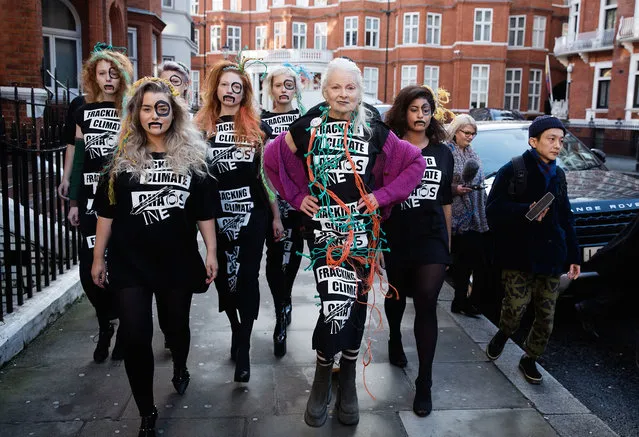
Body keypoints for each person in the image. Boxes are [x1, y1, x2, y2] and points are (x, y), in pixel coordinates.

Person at [264, 57, 426, 427]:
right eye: (335, 87)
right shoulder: (308, 123)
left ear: (359, 90)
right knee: (334, 304)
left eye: (350, 87)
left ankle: (347, 376)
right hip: (323, 235)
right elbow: (272, 158)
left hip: (364, 235)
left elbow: (415, 163)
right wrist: (294, 196)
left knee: (354, 304)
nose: (343, 94)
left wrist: (380, 197)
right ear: (324, 90)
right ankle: (323, 376)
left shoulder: (374, 125)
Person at [91, 77, 218, 437]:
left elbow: (204, 211)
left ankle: (180, 363)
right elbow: (106, 212)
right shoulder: (121, 159)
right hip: (130, 261)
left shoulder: (193, 158)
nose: (153, 115)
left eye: (161, 108)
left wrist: (210, 251)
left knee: (174, 326)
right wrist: (98, 258)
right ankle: (146, 410)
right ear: (136, 114)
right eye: (146, 108)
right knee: (135, 334)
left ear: (173, 112)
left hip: (176, 260)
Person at [195, 59, 275, 383]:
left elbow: (267, 177)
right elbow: (196, 179)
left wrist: (276, 215)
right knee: (225, 281)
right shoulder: (201, 129)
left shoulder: (257, 128)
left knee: (247, 279)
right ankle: (235, 327)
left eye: (237, 87)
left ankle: (244, 347)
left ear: (245, 94)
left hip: (252, 213)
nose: (230, 91)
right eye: (226, 85)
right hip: (217, 216)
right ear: (216, 88)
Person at [485, 115, 580, 384]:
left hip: (552, 257)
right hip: (519, 255)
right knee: (514, 309)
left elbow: (566, 216)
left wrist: (574, 255)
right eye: (551, 139)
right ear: (533, 141)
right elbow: (492, 210)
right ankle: (503, 333)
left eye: (561, 140)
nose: (557, 145)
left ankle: (530, 359)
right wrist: (523, 211)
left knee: (546, 318)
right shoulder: (514, 169)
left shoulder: (559, 174)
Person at [382, 85, 454, 417]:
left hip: (432, 235)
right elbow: (379, 194)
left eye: (426, 109)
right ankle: (394, 337)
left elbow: (445, 201)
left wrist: (448, 243)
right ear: (403, 112)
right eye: (414, 109)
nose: (420, 115)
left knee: (426, 299)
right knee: (396, 296)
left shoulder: (443, 153)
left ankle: (424, 381)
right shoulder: (390, 149)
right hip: (398, 233)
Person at [67, 45, 133, 363]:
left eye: (114, 73)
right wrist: (74, 201)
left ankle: (122, 328)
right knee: (89, 271)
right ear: (93, 76)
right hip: (91, 201)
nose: (108, 78)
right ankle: (106, 322)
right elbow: (80, 157)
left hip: (123, 201)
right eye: (102, 73)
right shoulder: (81, 109)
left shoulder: (132, 109)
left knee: (120, 265)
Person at [261, 65, 305, 357]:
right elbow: (260, 167)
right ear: (271, 89)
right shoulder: (260, 121)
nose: (284, 89)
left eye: (289, 84)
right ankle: (279, 313)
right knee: (275, 256)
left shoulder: (303, 120)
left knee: (295, 253)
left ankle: (286, 298)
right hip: (270, 200)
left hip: (299, 203)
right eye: (279, 85)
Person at [446, 114, 489, 317]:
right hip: (454, 217)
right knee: (459, 264)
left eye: (473, 134)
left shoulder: (473, 153)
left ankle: (466, 301)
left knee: (476, 262)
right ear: (456, 131)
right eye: (467, 133)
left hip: (475, 216)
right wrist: (456, 189)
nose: (470, 137)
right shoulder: (446, 152)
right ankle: (460, 301)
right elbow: (438, 183)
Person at [58, 94, 86, 200]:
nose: (108, 78)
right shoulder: (79, 103)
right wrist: (65, 178)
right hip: (84, 175)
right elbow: (72, 145)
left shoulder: (125, 103)